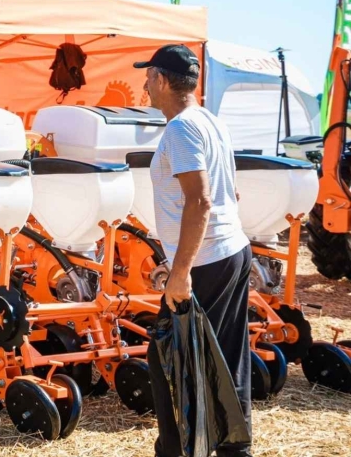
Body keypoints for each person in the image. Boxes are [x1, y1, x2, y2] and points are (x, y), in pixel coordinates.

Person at [137, 44, 253, 457]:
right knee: (223, 361)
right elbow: (231, 192)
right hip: (230, 251)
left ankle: (177, 450)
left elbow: (200, 199)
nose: (145, 84)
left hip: (206, 262)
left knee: (168, 361)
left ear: (163, 80)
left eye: (149, 76)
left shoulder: (181, 129)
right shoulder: (210, 121)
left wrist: (181, 271)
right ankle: (234, 451)